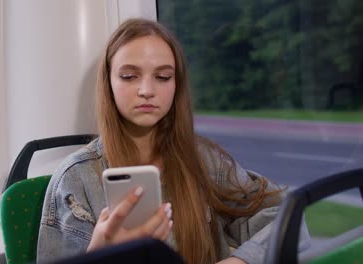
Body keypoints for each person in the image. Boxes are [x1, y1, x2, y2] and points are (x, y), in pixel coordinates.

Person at [37, 18, 310, 264]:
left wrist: (240, 261)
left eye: (163, 77)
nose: (147, 90)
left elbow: (288, 219)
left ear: (176, 84)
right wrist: (98, 255)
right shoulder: (75, 180)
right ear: (108, 83)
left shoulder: (204, 160)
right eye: (129, 76)